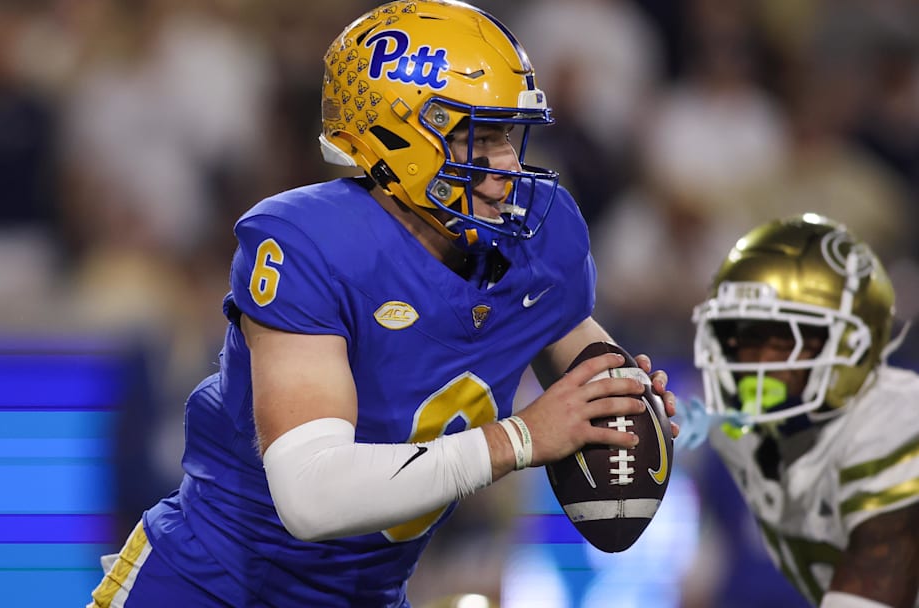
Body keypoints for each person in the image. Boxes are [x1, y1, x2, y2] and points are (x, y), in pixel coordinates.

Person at [88, 1, 678, 606]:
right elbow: (311, 495)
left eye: (510, 134)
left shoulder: (534, 242)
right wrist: (520, 439)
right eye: (481, 135)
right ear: (401, 139)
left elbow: (580, 353)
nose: (507, 164)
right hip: (211, 588)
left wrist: (626, 398)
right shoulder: (315, 244)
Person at [683, 214, 919, 608]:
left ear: (848, 345)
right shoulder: (739, 432)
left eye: (783, 338)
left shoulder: (895, 426)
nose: (753, 360)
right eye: (742, 335)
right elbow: (713, 559)